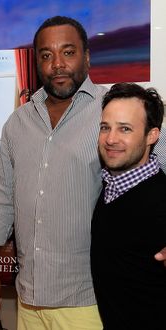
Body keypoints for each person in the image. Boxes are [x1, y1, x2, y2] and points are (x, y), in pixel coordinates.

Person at [0, 15, 166, 330]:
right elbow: (0, 200)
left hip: (89, 300)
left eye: (68, 52)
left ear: (87, 57)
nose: (57, 64)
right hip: (28, 300)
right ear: (37, 61)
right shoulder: (17, 123)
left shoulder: (113, 112)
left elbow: (157, 171)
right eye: (46, 55)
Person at [90, 83, 166, 330]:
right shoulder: (108, 187)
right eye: (105, 128)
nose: (111, 139)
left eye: (125, 129)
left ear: (151, 136)